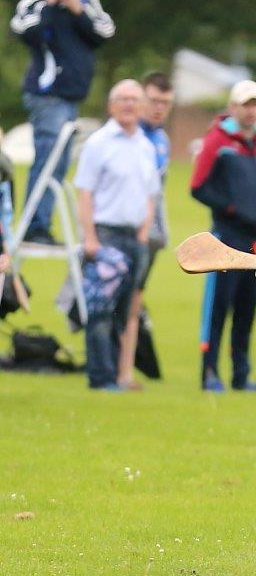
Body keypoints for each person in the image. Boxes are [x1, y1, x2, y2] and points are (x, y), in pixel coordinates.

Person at [11, 0, 115, 245]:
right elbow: (22, 30)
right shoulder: (35, 2)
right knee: (47, 158)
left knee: (59, 162)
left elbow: (104, 33)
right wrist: (52, 7)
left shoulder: (86, 1)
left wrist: (76, 10)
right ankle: (35, 227)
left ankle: (40, 224)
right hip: (47, 94)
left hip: (72, 96)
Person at [73, 80, 158, 390]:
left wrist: (144, 233)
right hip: (105, 235)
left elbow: (151, 195)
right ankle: (101, 376)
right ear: (111, 106)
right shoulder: (98, 143)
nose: (128, 104)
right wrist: (90, 238)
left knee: (125, 311)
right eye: (122, 99)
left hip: (134, 238)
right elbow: (85, 193)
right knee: (101, 310)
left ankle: (119, 374)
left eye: (135, 99)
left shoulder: (146, 147)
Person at [191, 80, 256, 391]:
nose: (251, 110)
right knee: (219, 306)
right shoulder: (218, 141)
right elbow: (199, 186)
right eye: (245, 104)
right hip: (226, 237)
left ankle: (241, 373)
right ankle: (209, 371)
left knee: (248, 306)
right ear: (233, 107)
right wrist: (231, 208)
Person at [113, 72, 175, 390]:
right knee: (114, 301)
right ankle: (112, 370)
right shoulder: (125, 138)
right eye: (154, 101)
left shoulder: (162, 140)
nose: (159, 108)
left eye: (166, 103)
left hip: (148, 234)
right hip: (118, 228)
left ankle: (123, 372)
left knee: (134, 302)